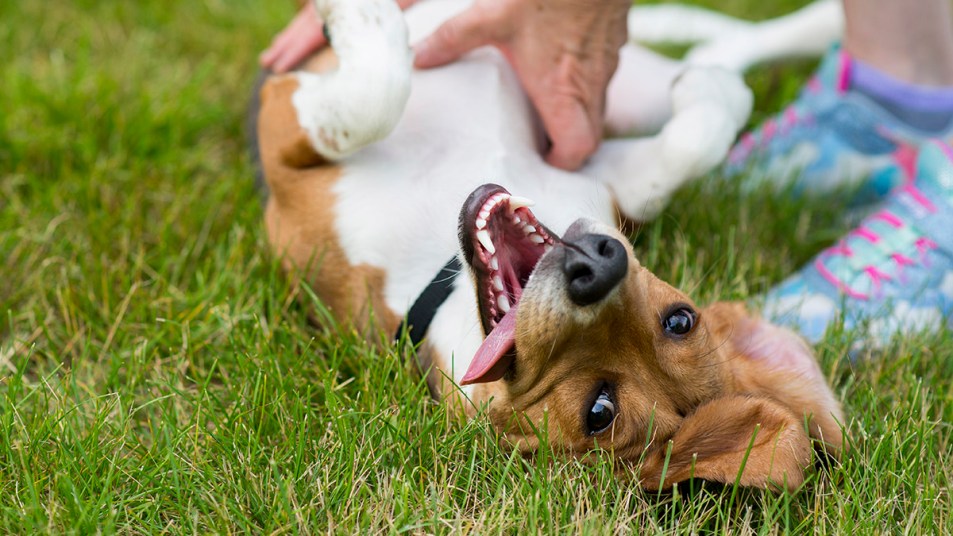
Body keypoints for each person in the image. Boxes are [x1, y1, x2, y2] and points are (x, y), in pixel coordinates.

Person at [260, 0, 953, 344]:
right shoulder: (566, 248)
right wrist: (686, 144)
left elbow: (280, 125)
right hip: (517, 66)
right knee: (693, 100)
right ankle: (895, 98)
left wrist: (370, 81)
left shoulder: (352, 265)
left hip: (395, 65)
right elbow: (610, 172)